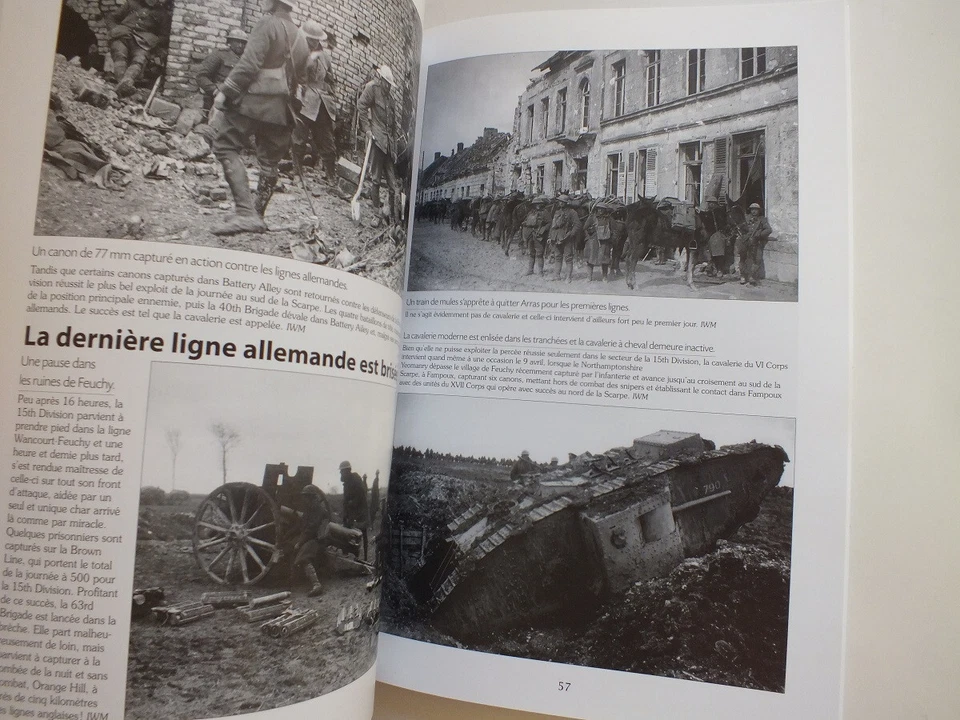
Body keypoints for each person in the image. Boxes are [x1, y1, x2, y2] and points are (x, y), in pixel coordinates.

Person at [211, 0, 309, 236]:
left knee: (225, 146)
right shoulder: (303, 39)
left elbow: (249, 64)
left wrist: (225, 92)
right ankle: (257, 215)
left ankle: (245, 213)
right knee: (269, 162)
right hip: (281, 110)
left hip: (253, 103)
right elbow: (301, 80)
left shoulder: (267, 23)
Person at [293, 21, 340, 190]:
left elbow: (331, 80)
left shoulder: (326, 57)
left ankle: (332, 180)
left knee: (328, 144)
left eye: (316, 40)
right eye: (310, 39)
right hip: (304, 101)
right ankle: (298, 174)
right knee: (299, 140)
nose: (313, 43)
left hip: (323, 104)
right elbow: (296, 73)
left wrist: (332, 97)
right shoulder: (299, 52)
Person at [358, 65, 401, 227]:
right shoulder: (372, 89)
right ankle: (376, 214)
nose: (389, 87)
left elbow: (394, 127)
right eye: (387, 83)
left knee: (393, 186)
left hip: (388, 146)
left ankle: (392, 218)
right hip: (377, 142)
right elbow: (361, 106)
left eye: (390, 84)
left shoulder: (391, 100)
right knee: (375, 180)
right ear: (381, 80)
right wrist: (367, 130)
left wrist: (395, 150)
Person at [106, 0, 170, 98]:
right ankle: (122, 85)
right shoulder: (131, 3)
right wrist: (114, 30)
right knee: (120, 54)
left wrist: (153, 40)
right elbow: (112, 17)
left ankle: (126, 82)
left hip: (142, 43)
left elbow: (165, 36)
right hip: (122, 36)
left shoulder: (162, 14)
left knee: (139, 59)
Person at [292, 484, 333, 597]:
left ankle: (316, 585)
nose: (304, 499)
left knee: (303, 556)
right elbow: (302, 525)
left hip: (317, 540)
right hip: (312, 537)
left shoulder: (318, 510)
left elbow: (311, 529)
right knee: (290, 546)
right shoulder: (310, 509)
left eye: (305, 496)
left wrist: (300, 542)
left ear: (311, 497)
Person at [196, 29, 247, 112]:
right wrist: (215, 90)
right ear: (229, 42)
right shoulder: (219, 54)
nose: (240, 45)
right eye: (237, 42)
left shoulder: (247, 59)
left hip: (236, 101)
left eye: (243, 43)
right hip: (216, 99)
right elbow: (201, 76)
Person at [339, 461, 370, 560]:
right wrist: (345, 512)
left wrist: (352, 503)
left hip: (360, 511)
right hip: (351, 511)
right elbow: (346, 499)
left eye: (342, 471)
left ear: (347, 470)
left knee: (362, 533)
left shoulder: (355, 479)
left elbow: (361, 495)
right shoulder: (346, 482)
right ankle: (346, 553)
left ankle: (364, 557)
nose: (341, 474)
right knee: (346, 530)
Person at [737, 202, 773, 286]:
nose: (754, 211)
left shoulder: (762, 219)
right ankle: (743, 276)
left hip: (755, 241)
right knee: (743, 258)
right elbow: (739, 227)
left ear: (759, 211)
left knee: (757, 259)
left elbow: (769, 230)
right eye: (752, 209)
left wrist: (760, 233)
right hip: (745, 241)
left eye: (756, 210)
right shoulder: (746, 218)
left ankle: (752, 277)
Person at [550, 194, 583, 283]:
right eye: (559, 201)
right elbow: (552, 225)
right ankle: (556, 275)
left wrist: (571, 234)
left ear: (566, 203)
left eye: (562, 202)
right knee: (558, 256)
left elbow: (578, 225)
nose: (560, 203)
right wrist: (551, 236)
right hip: (556, 237)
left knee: (568, 258)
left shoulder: (572, 212)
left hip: (567, 238)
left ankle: (568, 277)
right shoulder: (557, 212)